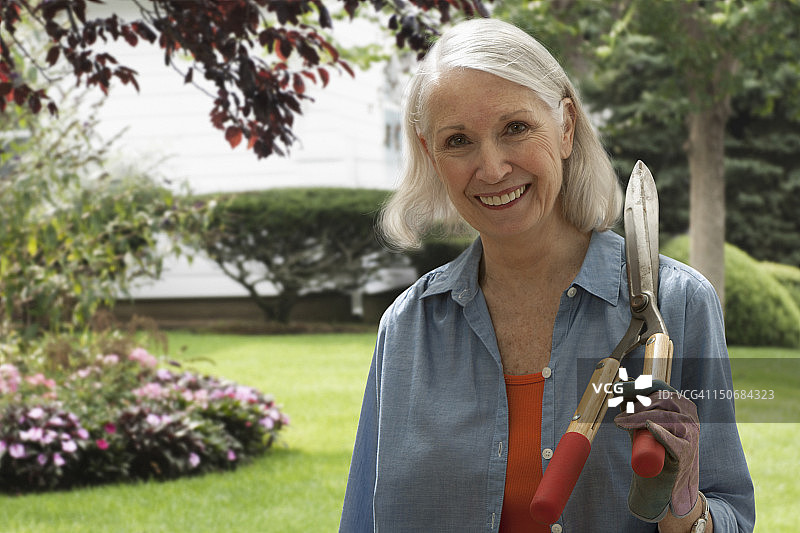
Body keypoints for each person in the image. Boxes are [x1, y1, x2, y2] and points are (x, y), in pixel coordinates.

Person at [339, 17, 755, 533]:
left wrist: (682, 502)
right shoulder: (409, 326)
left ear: (565, 127)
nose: (491, 169)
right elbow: (361, 521)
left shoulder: (677, 303)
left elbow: (731, 513)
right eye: (458, 140)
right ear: (431, 154)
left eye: (515, 128)